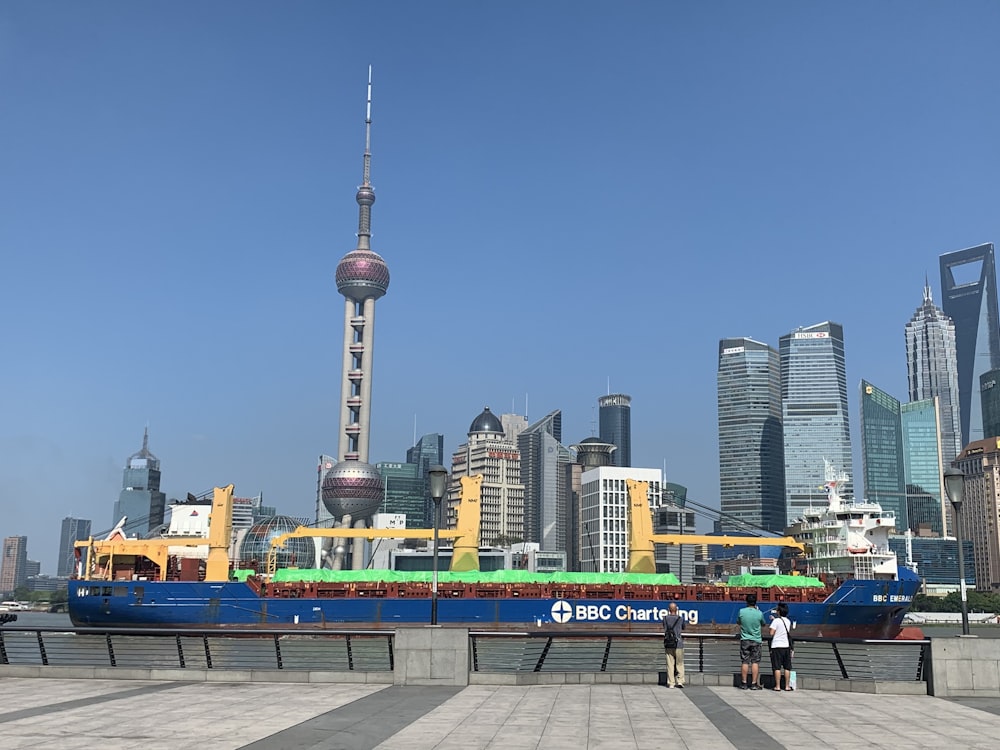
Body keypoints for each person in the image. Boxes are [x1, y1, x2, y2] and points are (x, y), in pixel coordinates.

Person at [737, 592, 765, 690]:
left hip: (745, 639)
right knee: (755, 662)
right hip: (756, 640)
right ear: (755, 602)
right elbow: (763, 624)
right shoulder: (759, 613)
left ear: (746, 602)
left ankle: (744, 683)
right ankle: (754, 684)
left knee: (745, 661)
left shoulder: (741, 611)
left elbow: (738, 622)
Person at [769, 602, 794, 691]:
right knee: (787, 667)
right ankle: (787, 686)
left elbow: (771, 633)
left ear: (779, 611)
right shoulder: (788, 621)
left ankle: (778, 686)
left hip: (776, 646)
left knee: (777, 667)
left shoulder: (776, 621)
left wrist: (772, 621)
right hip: (786, 646)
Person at [662, 602, 685, 688]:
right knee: (680, 663)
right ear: (677, 609)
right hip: (678, 643)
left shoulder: (665, 618)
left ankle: (671, 683)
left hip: (668, 643)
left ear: (668, 610)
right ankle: (680, 681)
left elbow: (665, 627)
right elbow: (683, 627)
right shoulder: (680, 618)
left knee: (670, 664)